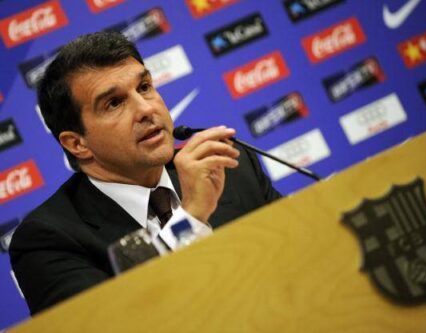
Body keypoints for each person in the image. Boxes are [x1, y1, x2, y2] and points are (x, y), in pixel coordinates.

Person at [9, 32, 281, 315]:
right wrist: (189, 220)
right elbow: (112, 323)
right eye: (114, 103)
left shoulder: (230, 169)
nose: (146, 109)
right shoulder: (49, 239)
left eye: (144, 87)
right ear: (78, 143)